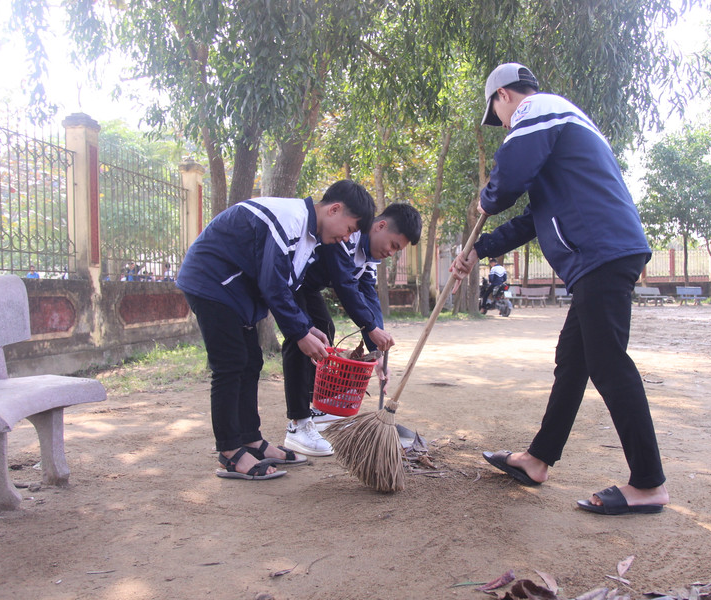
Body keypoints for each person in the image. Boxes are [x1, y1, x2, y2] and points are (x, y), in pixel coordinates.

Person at [449, 63, 668, 515]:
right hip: (598, 256)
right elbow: (535, 217)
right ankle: (537, 460)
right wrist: (481, 247)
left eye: (499, 115)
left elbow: (507, 181)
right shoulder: (560, 131)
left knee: (608, 364)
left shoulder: (539, 109)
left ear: (505, 96)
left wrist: (487, 196)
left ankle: (648, 484)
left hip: (602, 253)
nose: (504, 125)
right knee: (573, 362)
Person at [176, 180, 376, 480]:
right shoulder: (290, 219)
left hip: (235, 294)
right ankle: (230, 452)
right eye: (349, 229)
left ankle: (251, 440)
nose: (346, 237)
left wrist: (306, 327)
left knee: (251, 362)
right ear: (334, 209)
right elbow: (272, 283)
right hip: (212, 282)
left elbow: (285, 285)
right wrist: (299, 334)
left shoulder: (310, 235)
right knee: (230, 365)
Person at [280, 203, 422, 456]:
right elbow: (345, 284)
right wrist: (369, 327)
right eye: (393, 245)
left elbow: (367, 292)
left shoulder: (370, 256)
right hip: (291, 284)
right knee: (301, 337)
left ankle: (314, 410)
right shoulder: (348, 234)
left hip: (308, 288)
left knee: (325, 331)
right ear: (380, 226)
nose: (391, 253)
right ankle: (297, 424)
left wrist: (375, 349)